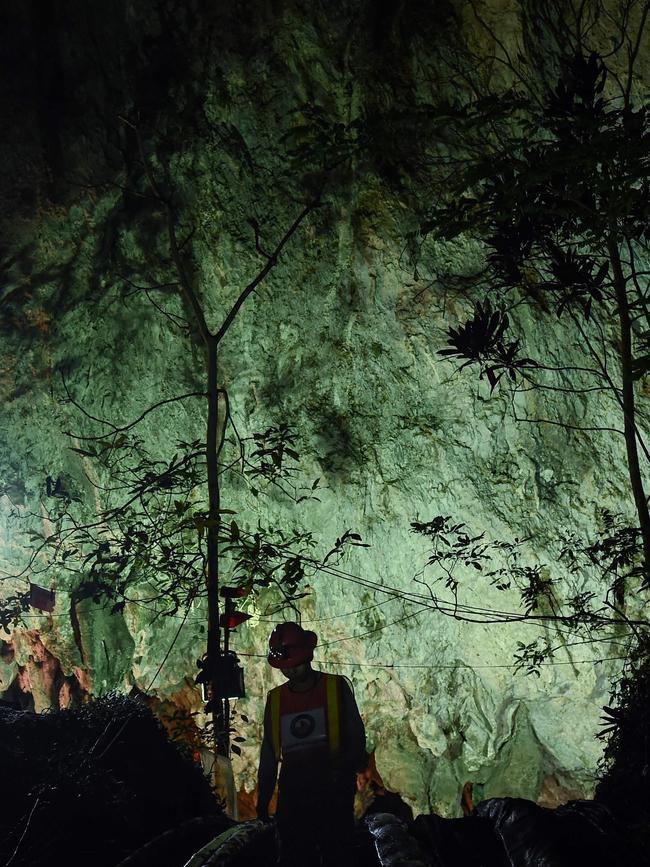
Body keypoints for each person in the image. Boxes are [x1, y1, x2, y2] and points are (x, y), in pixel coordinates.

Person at [256, 621, 366, 867]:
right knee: (295, 857)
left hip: (333, 790)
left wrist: (345, 770)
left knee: (337, 854)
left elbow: (356, 736)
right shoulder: (275, 700)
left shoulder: (336, 687)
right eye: (287, 667)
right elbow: (269, 751)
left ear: (308, 655)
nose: (292, 671)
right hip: (294, 795)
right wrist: (263, 799)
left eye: (296, 664)